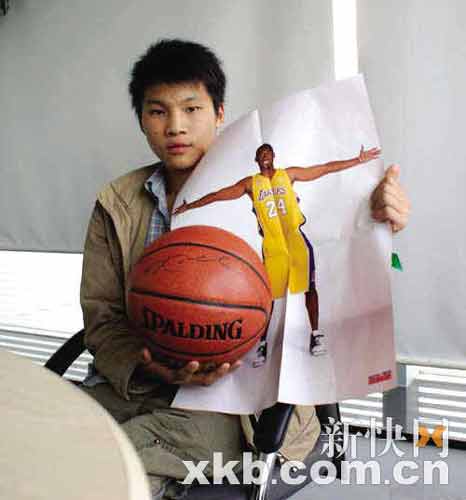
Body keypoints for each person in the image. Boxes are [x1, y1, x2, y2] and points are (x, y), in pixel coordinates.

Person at [79, 39, 411, 498]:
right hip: (138, 384)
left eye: (192, 108)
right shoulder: (116, 204)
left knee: (104, 463)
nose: (176, 126)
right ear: (141, 119)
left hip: (242, 407)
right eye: (158, 111)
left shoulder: (275, 184)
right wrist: (151, 366)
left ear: (219, 113)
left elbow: (342, 256)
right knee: (48, 435)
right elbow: (102, 319)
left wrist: (376, 217)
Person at [174, 142, 381, 359]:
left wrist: (357, 160)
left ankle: (315, 334)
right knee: (269, 295)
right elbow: (219, 195)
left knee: (310, 287)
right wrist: (190, 205)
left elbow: (324, 168)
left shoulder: (288, 175)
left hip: (296, 240)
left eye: (268, 152)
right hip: (273, 245)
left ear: (274, 155)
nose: (265, 155)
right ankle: (262, 342)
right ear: (256, 159)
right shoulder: (250, 184)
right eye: (260, 153)